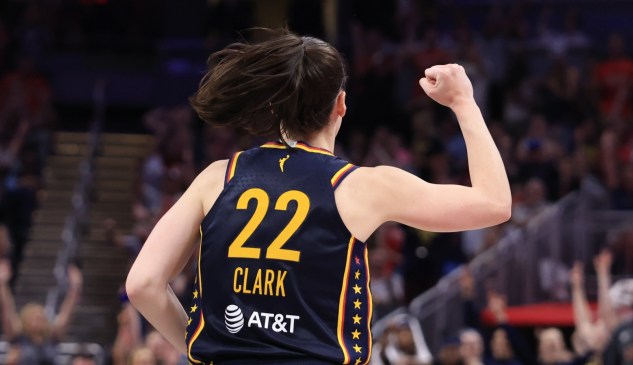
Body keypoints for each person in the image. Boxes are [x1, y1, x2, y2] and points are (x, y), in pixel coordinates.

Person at [126, 29, 511, 364]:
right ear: (340, 105)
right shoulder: (362, 186)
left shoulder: (217, 178)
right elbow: (495, 204)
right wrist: (464, 102)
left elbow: (142, 284)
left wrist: (201, 349)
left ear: (275, 107)